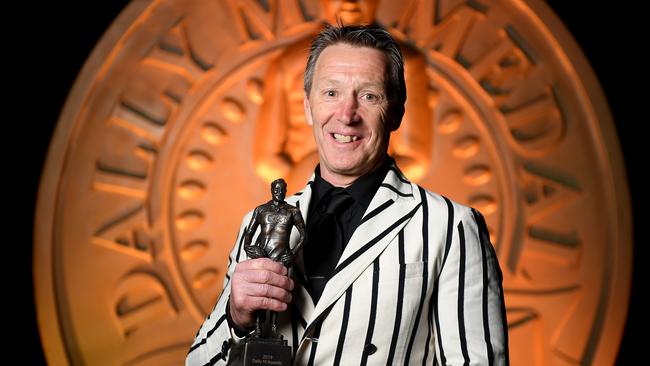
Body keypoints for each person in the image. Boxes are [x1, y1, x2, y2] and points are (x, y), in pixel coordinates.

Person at [186, 24, 508, 365]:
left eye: (369, 96)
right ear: (308, 107)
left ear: (396, 112)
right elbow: (198, 361)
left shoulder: (451, 227)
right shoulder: (259, 222)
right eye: (331, 93)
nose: (346, 115)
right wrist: (236, 318)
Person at [242, 178, 306, 338]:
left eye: (282, 190)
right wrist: (251, 249)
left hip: (282, 257)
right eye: (276, 190)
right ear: (271, 190)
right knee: (261, 295)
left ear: (286, 190)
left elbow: (304, 235)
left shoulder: (293, 211)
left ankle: (274, 329)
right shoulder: (261, 210)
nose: (279, 193)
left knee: (278, 294)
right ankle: (258, 328)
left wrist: (294, 252)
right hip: (263, 257)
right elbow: (248, 236)